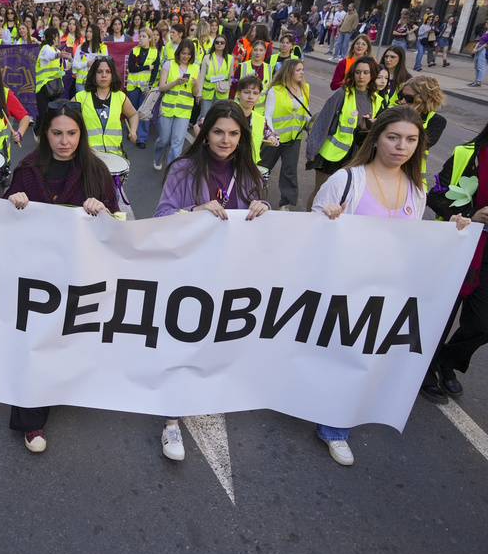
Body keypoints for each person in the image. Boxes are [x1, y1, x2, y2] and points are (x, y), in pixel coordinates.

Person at [311, 106, 467, 465]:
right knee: (339, 355)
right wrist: (327, 217)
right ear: (377, 137)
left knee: (363, 356)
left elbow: (415, 242)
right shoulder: (347, 179)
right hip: (344, 287)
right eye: (393, 137)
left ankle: (335, 421)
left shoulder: (417, 189)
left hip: (388, 291)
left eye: (411, 139)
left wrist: (454, 232)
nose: (402, 146)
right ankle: (333, 426)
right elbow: (311, 234)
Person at [154, 100, 269, 460]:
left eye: (234, 133)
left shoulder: (250, 173)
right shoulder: (184, 169)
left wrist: (263, 209)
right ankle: (170, 422)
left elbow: (259, 224)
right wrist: (195, 212)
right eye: (218, 131)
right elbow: (161, 217)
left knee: (213, 340)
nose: (226, 139)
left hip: (229, 273)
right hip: (188, 271)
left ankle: (203, 393)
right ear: (205, 134)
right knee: (181, 341)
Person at [4, 103, 118, 453]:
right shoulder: (26, 170)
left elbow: (115, 225)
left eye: (71, 133)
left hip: (77, 274)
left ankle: (56, 390)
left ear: (80, 134)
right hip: (35, 273)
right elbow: (1, 222)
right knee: (35, 341)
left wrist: (103, 212)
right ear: (45, 134)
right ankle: (31, 419)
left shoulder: (96, 171)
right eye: (56, 133)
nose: (64, 141)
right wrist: (13, 200)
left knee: (63, 340)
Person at [423, 115, 488, 402]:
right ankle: (424, 369)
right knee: (440, 317)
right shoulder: (467, 155)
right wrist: (473, 214)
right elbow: (434, 197)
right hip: (458, 248)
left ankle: (446, 359)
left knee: (481, 324)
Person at [305, 56, 380, 210]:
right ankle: (308, 220)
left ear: (372, 75)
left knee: (343, 196)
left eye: (366, 72)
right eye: (358, 72)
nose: (361, 76)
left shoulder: (377, 100)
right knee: (321, 193)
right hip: (331, 155)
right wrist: (312, 150)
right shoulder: (342, 93)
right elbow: (323, 121)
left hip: (356, 156)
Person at [261, 59, 310, 210]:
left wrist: (311, 129)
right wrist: (270, 133)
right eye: (298, 70)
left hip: (294, 138)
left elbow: (305, 113)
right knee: (263, 168)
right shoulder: (275, 90)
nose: (302, 72)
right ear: (289, 72)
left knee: (289, 171)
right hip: (274, 138)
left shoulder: (305, 88)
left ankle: (286, 204)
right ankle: (253, 194)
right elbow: (267, 115)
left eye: (302, 69)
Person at [75, 56, 138, 154]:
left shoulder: (120, 97)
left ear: (113, 74)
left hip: (114, 156)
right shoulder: (81, 97)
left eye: (108, 72)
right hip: (89, 156)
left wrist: (133, 131)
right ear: (93, 74)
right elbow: (66, 119)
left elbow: (133, 114)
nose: (104, 75)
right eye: (99, 72)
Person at [153, 39, 200, 170]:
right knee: (163, 139)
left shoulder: (196, 68)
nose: (186, 56)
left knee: (177, 143)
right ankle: (157, 158)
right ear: (179, 52)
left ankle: (171, 169)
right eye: (183, 53)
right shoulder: (169, 65)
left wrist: (195, 85)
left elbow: (195, 93)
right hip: (167, 108)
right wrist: (175, 82)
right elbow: (161, 87)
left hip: (184, 110)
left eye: (189, 54)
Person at [399, 75, 447, 186]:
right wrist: (363, 129)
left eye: (409, 98)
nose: (402, 101)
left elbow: (419, 145)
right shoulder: (389, 113)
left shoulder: (436, 121)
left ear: (425, 99)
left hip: (412, 181)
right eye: (401, 95)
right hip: (382, 177)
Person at [127, 29, 161, 149]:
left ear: (150, 38)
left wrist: (150, 87)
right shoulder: (134, 51)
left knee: (144, 112)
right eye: (140, 36)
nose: (140, 38)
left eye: (144, 36)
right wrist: (146, 67)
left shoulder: (155, 52)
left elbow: (155, 71)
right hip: (133, 86)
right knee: (132, 110)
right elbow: (130, 68)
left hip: (146, 87)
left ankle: (141, 138)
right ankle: (132, 132)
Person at [34, 27, 70, 132]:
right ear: (53, 37)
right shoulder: (46, 48)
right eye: (58, 36)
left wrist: (69, 60)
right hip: (43, 87)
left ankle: (48, 136)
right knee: (43, 114)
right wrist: (59, 55)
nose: (60, 38)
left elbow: (62, 68)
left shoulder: (57, 50)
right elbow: (50, 56)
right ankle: (38, 134)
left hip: (54, 87)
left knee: (53, 114)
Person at [199, 33, 232, 122]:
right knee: (204, 116)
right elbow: (201, 76)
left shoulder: (230, 58)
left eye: (222, 42)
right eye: (217, 42)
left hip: (222, 91)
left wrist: (228, 86)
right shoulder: (207, 57)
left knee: (219, 116)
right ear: (214, 44)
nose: (219, 44)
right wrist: (199, 93)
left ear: (225, 44)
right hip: (208, 91)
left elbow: (231, 76)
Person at [73, 25, 107, 94]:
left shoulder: (103, 48)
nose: (88, 33)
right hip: (81, 83)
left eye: (90, 32)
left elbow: (106, 65)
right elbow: (74, 64)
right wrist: (86, 63)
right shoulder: (81, 47)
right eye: (87, 31)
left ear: (96, 33)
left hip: (97, 82)